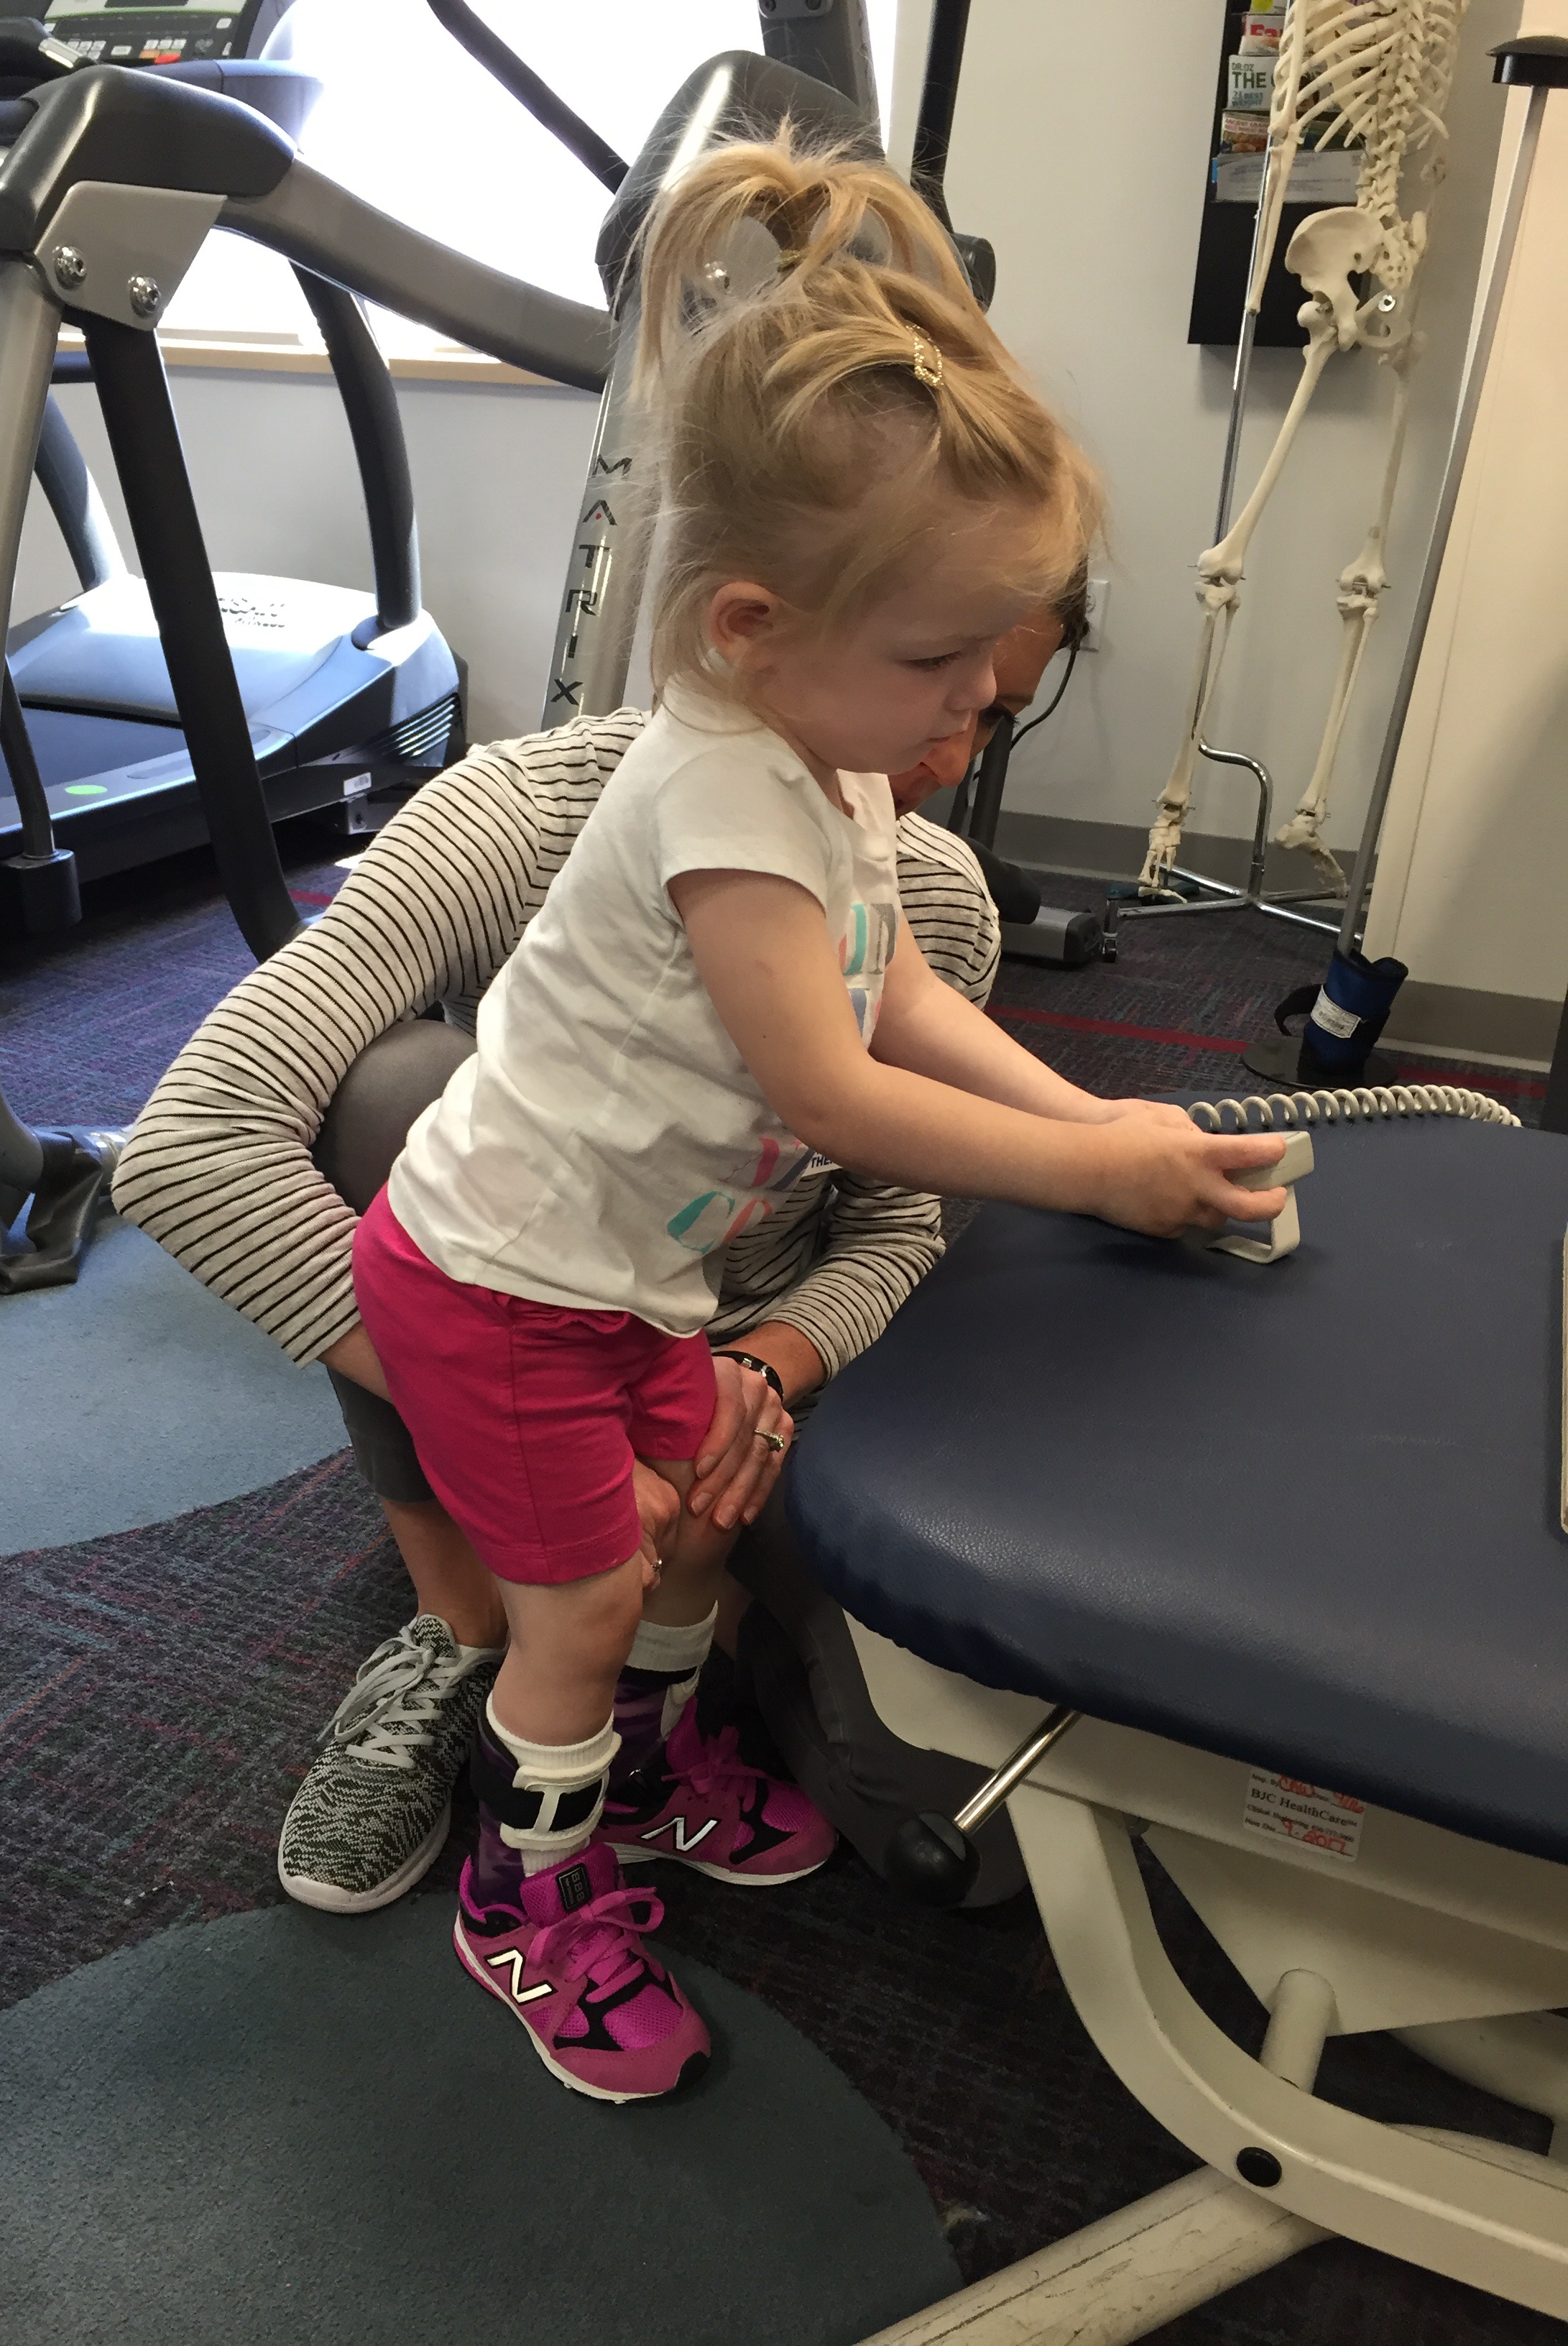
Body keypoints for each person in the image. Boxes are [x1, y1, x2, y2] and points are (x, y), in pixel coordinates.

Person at [319, 139, 1286, 2102]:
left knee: (699, 1530)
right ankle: (528, 1901)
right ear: (752, 622)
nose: (970, 710)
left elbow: (901, 991)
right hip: (500, 1288)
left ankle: (655, 1775)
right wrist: (1098, 1175)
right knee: (585, 1602)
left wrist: (1099, 1116)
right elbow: (831, 1088)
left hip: (625, 1283)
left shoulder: (832, 769)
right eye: (936, 662)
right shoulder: (720, 795)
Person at [114, 576, 1082, 1939]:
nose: (952, 744)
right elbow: (188, 1147)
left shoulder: (920, 878)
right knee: (396, 1092)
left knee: (966, 1835)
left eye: (996, 706)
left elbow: (899, 1218)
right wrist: (540, 1425)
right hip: (514, 1329)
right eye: (931, 664)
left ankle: (656, 1692)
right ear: (763, 620)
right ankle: (464, 1630)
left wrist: (770, 1368)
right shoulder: (520, 812)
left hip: (731, 1357)